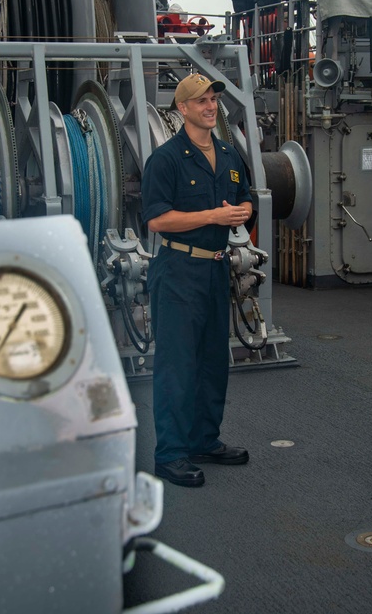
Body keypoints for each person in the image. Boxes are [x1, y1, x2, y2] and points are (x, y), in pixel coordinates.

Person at [141, 72, 254, 487]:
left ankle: (204, 439)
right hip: (178, 271)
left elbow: (245, 199)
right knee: (177, 366)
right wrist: (213, 216)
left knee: (211, 362)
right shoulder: (166, 159)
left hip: (215, 268)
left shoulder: (228, 154)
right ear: (182, 109)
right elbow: (156, 219)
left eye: (213, 99)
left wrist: (242, 211)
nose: (210, 106)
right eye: (201, 101)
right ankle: (170, 454)